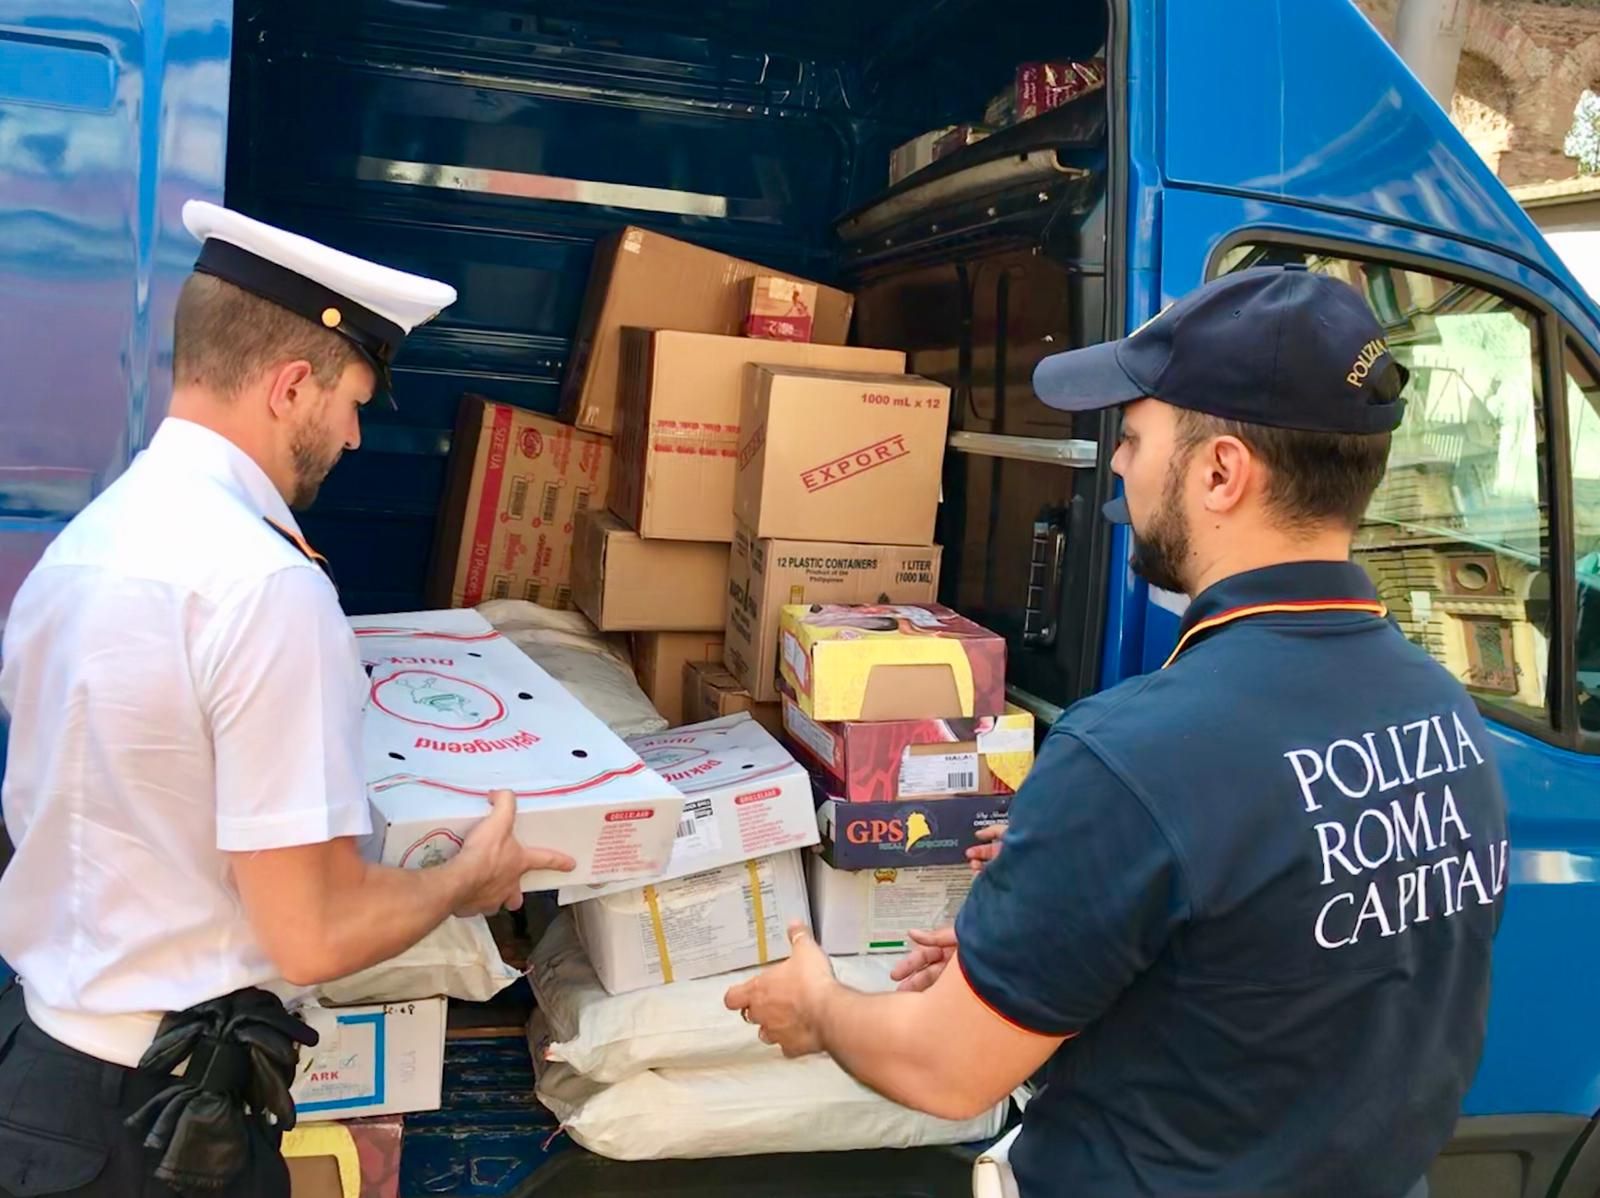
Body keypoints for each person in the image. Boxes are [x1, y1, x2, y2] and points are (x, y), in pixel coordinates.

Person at [727, 266, 1509, 1198]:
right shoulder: (1442, 708)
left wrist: (817, 1007)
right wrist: (1061, 924)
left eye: (1135, 437)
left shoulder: (1138, 753)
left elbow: (946, 1069)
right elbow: (1284, 981)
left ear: (1221, 472)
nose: (1119, 465)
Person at [0, 201, 575, 1197]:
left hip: (42, 1081)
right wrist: (464, 882)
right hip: (160, 1132)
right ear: (290, 384)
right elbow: (309, 933)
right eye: (352, 399)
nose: (353, 437)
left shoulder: (83, 547)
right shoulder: (265, 586)